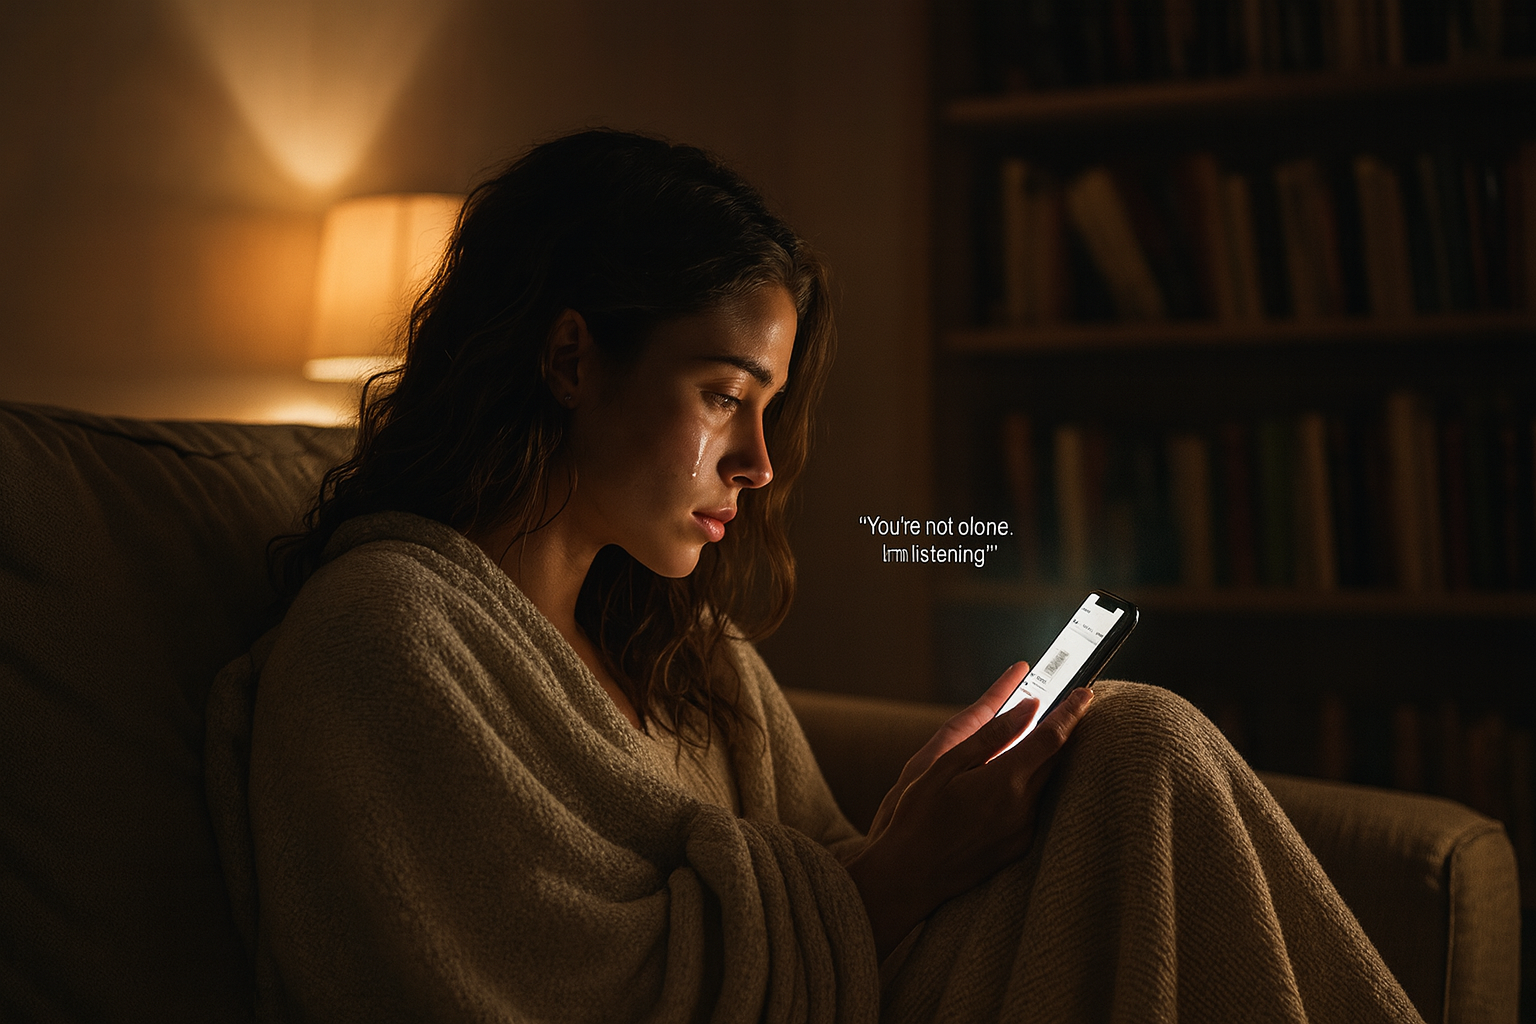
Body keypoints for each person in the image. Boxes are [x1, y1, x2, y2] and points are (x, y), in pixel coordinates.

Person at [205, 129, 1423, 1023]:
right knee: (1143, 747)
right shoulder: (383, 638)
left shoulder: (688, 651)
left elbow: (831, 888)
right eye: (725, 396)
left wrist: (928, 822)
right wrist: (900, 867)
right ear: (571, 357)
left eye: (770, 408)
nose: (759, 462)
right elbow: (530, 987)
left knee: (1124, 753)